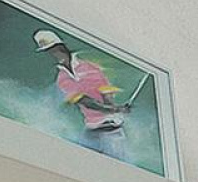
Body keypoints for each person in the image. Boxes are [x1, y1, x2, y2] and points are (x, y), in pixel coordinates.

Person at [33, 29, 133, 160]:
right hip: (91, 130)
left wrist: (113, 107)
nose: (54, 53)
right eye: (50, 51)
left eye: (55, 49)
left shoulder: (89, 66)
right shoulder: (62, 78)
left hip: (111, 131)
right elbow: (85, 101)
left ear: (62, 46)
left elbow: (105, 90)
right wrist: (115, 109)